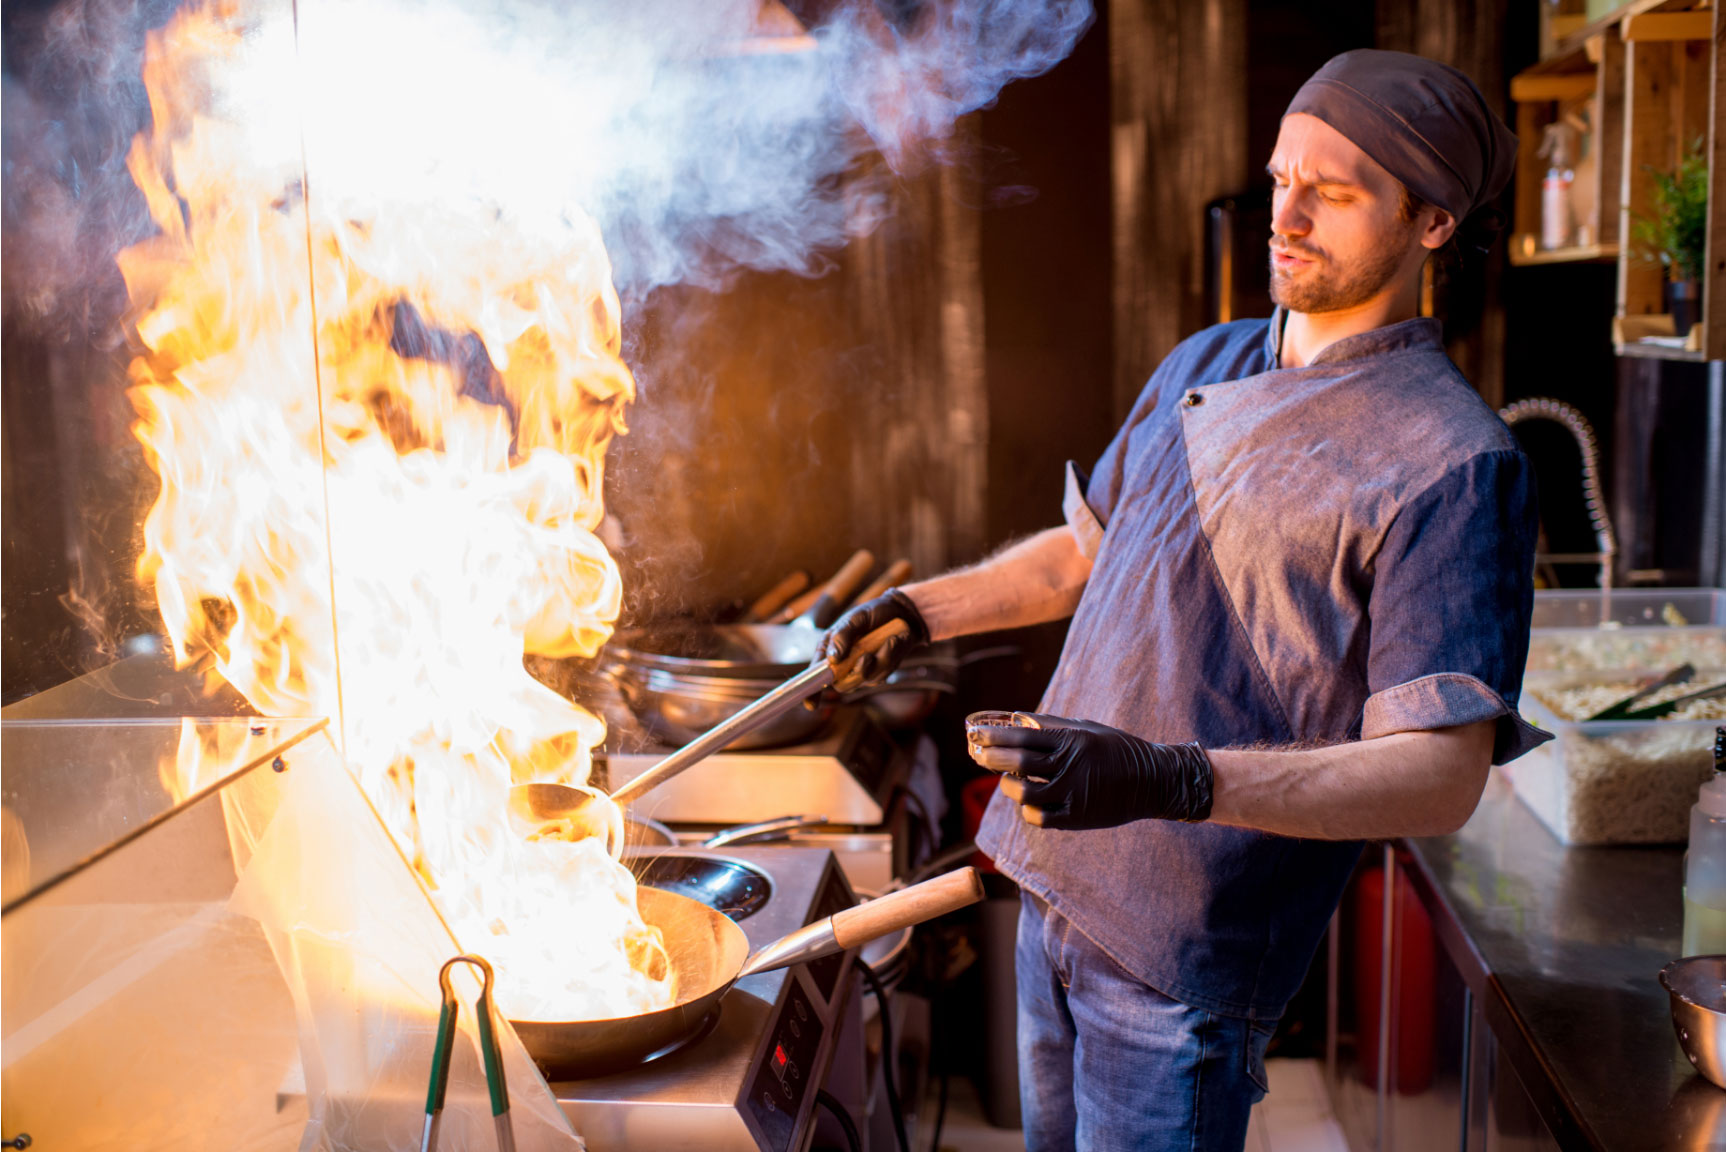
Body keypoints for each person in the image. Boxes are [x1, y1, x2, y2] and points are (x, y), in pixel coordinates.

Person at [819, 49, 1550, 1151]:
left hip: (1184, 964)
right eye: (1280, 179)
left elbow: (1439, 776)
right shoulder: (1208, 356)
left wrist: (1174, 778)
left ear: (1432, 220)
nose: (1286, 215)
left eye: (1333, 192)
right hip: (1054, 895)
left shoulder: (1455, 460)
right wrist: (919, 611)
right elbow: (1080, 558)